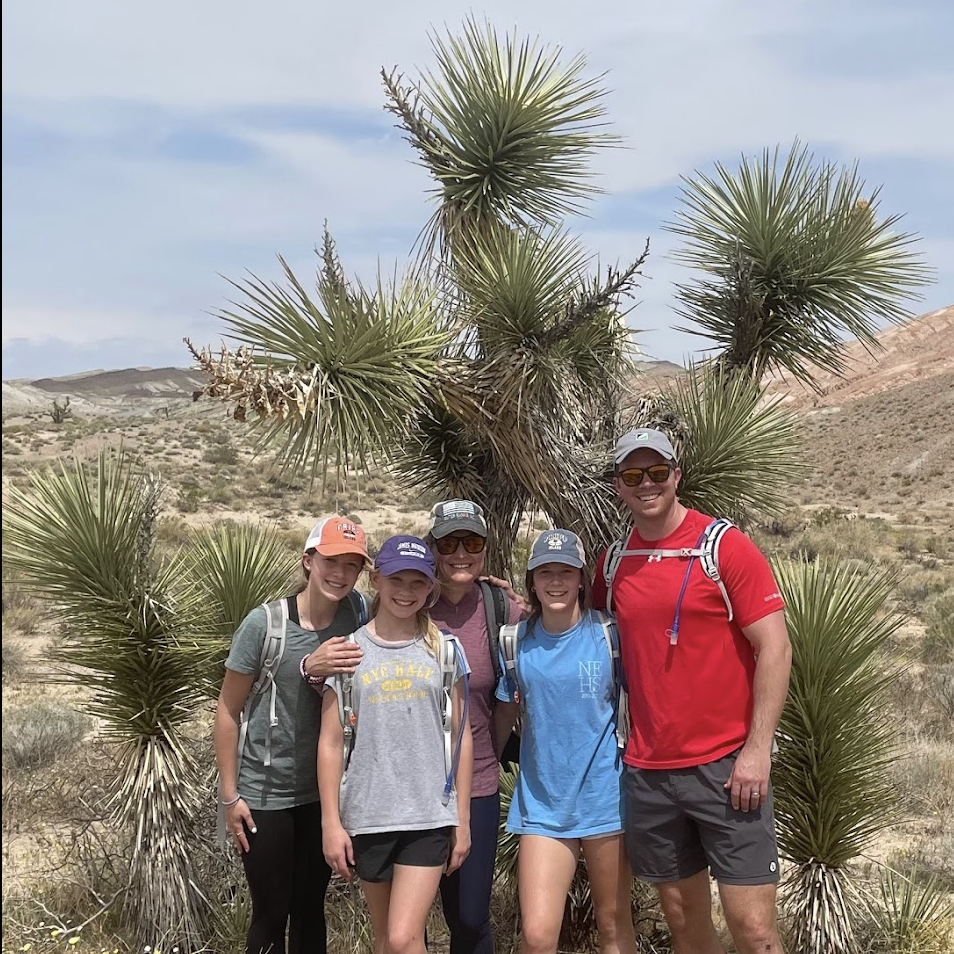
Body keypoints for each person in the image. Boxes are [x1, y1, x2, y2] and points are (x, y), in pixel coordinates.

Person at [592, 428, 793, 954]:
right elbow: (577, 629)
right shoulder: (613, 563)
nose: (647, 483)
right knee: (684, 925)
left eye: (657, 472)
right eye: (633, 475)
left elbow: (775, 648)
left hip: (728, 769)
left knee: (755, 932)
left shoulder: (723, 547)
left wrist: (757, 751)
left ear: (676, 476)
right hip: (650, 772)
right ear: (618, 485)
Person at [214, 518, 370, 954]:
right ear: (308, 561)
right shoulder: (265, 625)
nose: (340, 574)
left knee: (310, 908)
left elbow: (410, 600)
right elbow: (227, 710)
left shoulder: (357, 613)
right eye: (331, 561)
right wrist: (230, 796)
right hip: (266, 794)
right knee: (270, 913)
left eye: (352, 565)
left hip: (323, 793)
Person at [317, 535, 474, 954]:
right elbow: (330, 742)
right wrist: (331, 823)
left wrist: (462, 819)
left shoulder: (444, 651)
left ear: (431, 587)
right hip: (369, 813)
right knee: (386, 940)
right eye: (396, 580)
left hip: (428, 814)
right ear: (376, 580)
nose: (406, 592)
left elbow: (461, 735)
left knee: (404, 938)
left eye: (417, 582)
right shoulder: (348, 651)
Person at [495, 529, 637, 954]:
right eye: (545, 572)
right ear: (531, 581)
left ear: (580, 580)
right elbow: (504, 714)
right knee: (538, 937)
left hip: (604, 799)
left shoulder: (609, 635)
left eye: (565, 572)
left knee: (613, 926)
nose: (555, 582)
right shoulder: (516, 643)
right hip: (543, 804)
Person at [424, 500, 525, 954]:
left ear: (486, 547)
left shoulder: (499, 607)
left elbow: (553, 635)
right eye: (449, 543)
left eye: (472, 542)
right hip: (410, 783)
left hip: (477, 777)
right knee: (409, 918)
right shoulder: (408, 598)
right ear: (433, 548)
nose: (461, 553)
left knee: (470, 915)